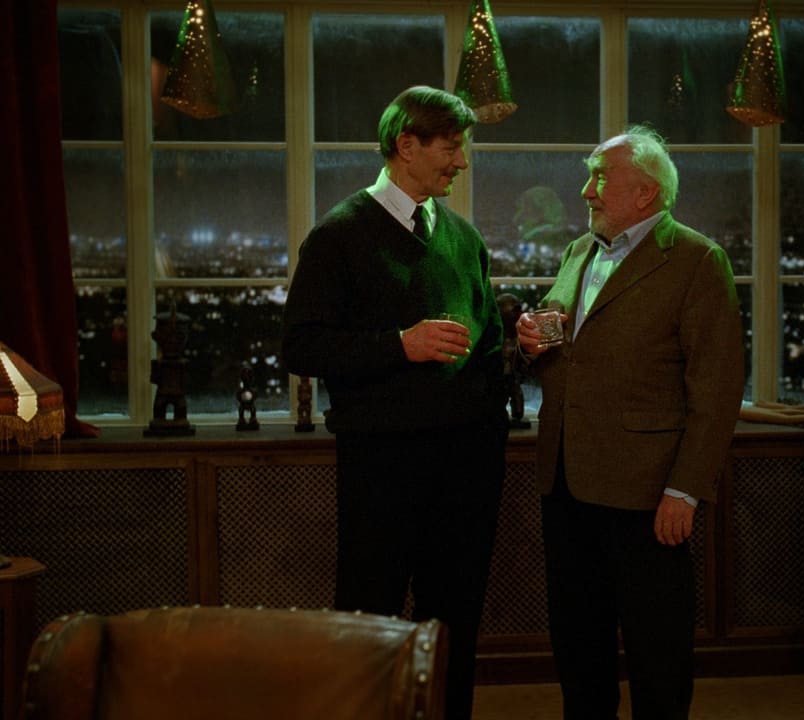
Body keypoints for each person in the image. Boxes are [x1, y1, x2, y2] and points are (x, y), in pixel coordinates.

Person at [282, 85, 508, 720]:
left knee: (456, 619)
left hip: (467, 466)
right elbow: (301, 345)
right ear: (406, 145)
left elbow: (488, 346)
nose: (461, 161)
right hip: (382, 467)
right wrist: (399, 346)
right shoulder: (339, 235)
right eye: (450, 147)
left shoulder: (462, 237)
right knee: (367, 617)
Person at [515, 126, 744, 720]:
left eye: (599, 178)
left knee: (656, 651)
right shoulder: (577, 251)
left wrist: (683, 490)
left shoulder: (697, 260)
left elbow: (717, 390)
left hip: (648, 493)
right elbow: (566, 349)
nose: (586, 191)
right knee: (578, 644)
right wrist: (531, 343)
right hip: (566, 484)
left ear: (646, 192)